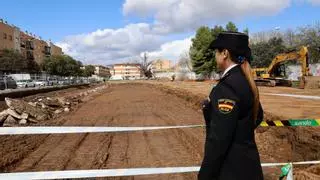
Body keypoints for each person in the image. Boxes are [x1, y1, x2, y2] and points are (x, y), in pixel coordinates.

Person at [198, 32, 264, 180]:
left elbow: (219, 139)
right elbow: (257, 116)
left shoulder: (227, 87)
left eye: (217, 51)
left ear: (225, 53)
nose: (215, 56)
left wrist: (205, 175)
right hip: (250, 167)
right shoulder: (244, 80)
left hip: (231, 170)